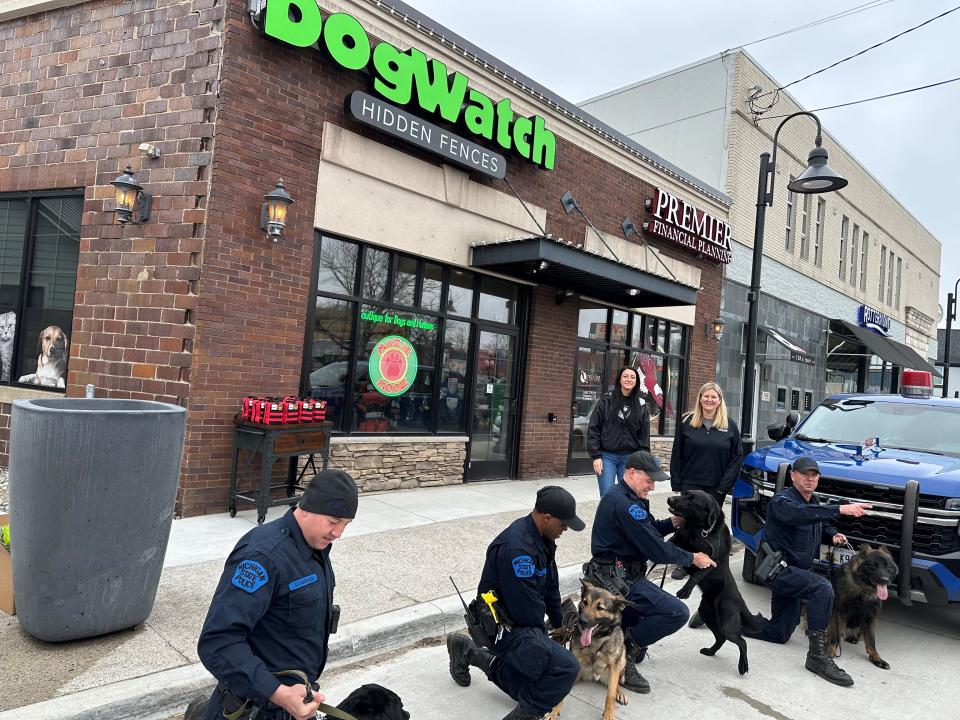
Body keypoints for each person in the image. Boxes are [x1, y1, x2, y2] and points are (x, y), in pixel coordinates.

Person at [197, 469, 359, 720]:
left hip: (290, 705)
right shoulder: (263, 556)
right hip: (252, 709)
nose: (338, 533)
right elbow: (219, 642)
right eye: (332, 522)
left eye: (345, 525)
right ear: (306, 508)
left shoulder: (315, 548)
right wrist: (278, 693)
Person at [446, 486, 584, 720]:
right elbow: (526, 611)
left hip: (520, 621)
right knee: (564, 668)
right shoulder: (517, 550)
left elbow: (551, 586)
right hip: (504, 628)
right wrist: (544, 645)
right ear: (547, 518)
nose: (565, 529)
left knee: (530, 688)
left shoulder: (544, 538)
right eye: (563, 524)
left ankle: (468, 652)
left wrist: (558, 624)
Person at [586, 450, 716, 693]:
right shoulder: (625, 504)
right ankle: (624, 655)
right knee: (676, 612)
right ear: (632, 473)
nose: (653, 487)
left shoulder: (628, 497)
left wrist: (671, 523)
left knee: (652, 612)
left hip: (623, 575)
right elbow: (656, 549)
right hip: (618, 581)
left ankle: (620, 637)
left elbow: (647, 531)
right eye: (649, 480)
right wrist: (692, 558)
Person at [743, 457, 871, 686]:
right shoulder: (782, 501)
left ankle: (726, 617)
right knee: (822, 588)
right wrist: (840, 509)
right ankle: (817, 657)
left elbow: (817, 520)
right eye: (805, 474)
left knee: (779, 633)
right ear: (793, 476)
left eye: (814, 475)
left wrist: (832, 533)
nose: (810, 479)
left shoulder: (813, 501)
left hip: (795, 573)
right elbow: (801, 515)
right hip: (778, 572)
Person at [669, 382, 743, 587]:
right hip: (690, 484)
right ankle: (684, 563)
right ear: (700, 398)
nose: (709, 400)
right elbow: (677, 453)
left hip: (715, 487)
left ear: (720, 401)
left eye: (714, 397)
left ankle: (711, 560)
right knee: (686, 525)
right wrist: (676, 480)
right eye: (706, 396)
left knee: (710, 526)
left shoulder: (729, 426)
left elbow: (736, 458)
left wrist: (724, 486)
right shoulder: (687, 422)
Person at [587, 366, 651, 496]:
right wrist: (596, 456)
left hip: (630, 458)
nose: (629, 379)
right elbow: (594, 427)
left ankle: (622, 517)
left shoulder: (642, 405)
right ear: (620, 380)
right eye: (625, 376)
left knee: (629, 495)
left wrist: (642, 459)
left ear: (636, 382)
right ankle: (607, 517)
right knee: (607, 495)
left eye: (632, 377)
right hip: (607, 457)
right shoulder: (607, 400)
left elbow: (644, 435)